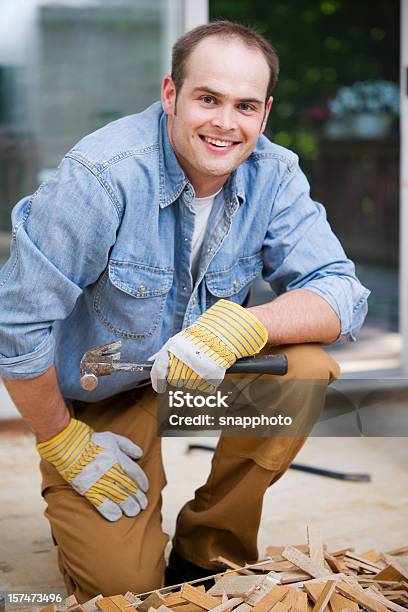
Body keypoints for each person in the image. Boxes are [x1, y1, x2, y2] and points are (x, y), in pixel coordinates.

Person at [0, 20, 368, 602]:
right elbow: (16, 327)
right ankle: (105, 519)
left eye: (245, 105)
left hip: (205, 374)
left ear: (265, 113)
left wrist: (243, 325)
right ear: (171, 95)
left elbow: (341, 292)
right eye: (207, 98)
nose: (226, 123)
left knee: (302, 371)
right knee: (123, 589)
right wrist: (60, 440)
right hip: (106, 385)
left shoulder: (274, 173)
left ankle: (207, 545)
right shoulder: (100, 177)